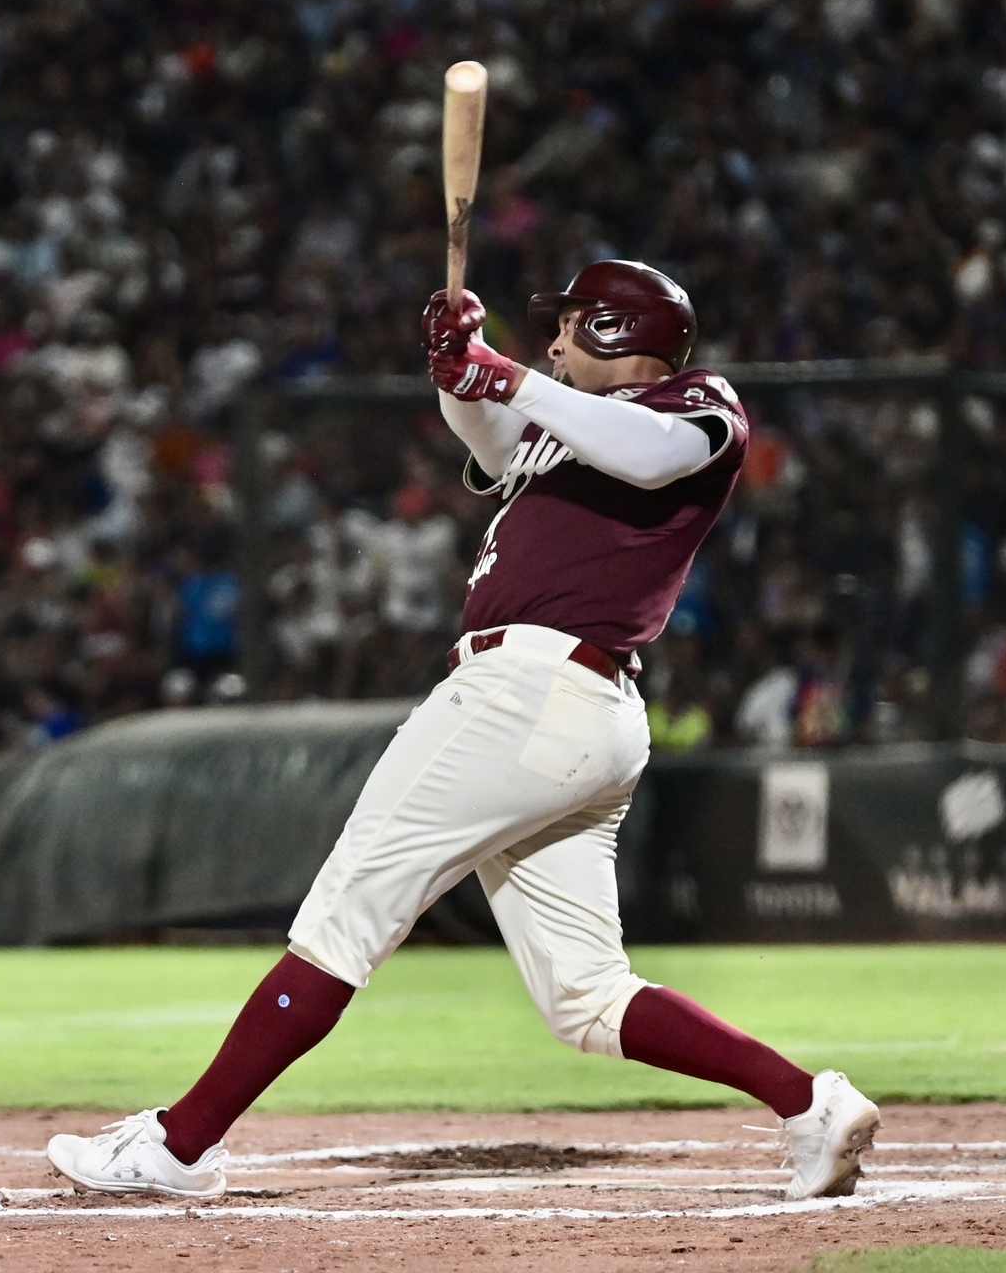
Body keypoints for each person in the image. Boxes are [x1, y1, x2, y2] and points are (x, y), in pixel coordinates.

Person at [45, 261, 879, 1202]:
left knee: (346, 914)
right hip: (571, 711)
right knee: (587, 998)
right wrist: (457, 367)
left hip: (529, 692)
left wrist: (503, 372)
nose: (554, 343)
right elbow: (492, 435)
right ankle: (809, 1103)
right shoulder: (569, 426)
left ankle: (180, 1145)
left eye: (570, 324)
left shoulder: (691, 402)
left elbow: (648, 453)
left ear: (614, 329)